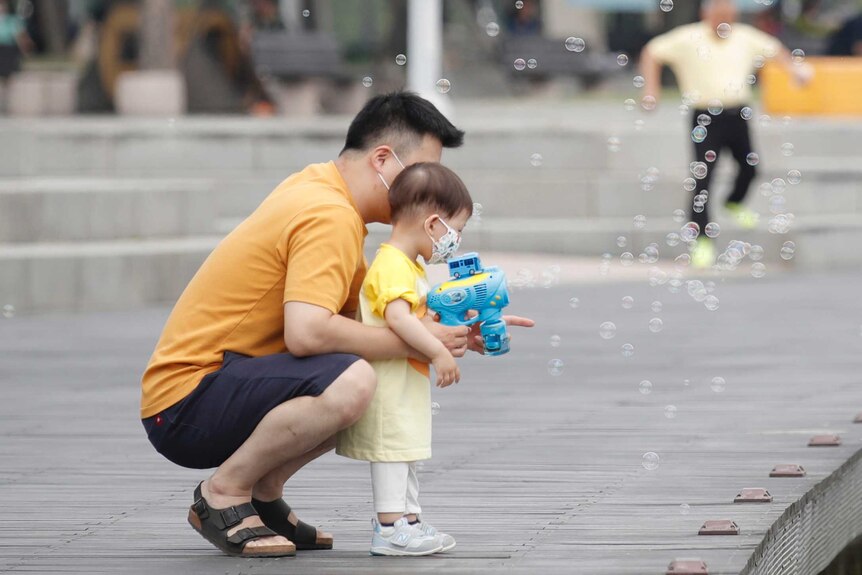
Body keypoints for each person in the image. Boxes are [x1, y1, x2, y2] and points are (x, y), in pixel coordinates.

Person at [139, 91, 534, 558]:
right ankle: (224, 492)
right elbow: (307, 333)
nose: (430, 190)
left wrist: (452, 328)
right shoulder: (328, 215)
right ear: (383, 160)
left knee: (364, 370)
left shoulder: (320, 190)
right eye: (422, 175)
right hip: (187, 403)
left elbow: (369, 320)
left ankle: (264, 491)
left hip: (204, 390)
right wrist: (418, 345)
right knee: (354, 380)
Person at [336, 163, 473, 556]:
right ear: (433, 224)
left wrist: (444, 324)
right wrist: (437, 350)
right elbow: (397, 319)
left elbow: (415, 318)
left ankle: (410, 520)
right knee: (392, 457)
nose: (456, 240)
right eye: (456, 230)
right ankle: (389, 527)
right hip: (388, 386)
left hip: (404, 383)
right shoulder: (393, 263)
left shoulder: (408, 264)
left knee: (407, 454)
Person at [640, 0, 812, 268]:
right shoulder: (687, 37)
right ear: (705, 14)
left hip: (737, 114)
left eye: (728, 15)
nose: (723, 20)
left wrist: (795, 70)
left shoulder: (745, 36)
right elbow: (652, 52)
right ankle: (702, 240)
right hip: (704, 117)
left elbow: (776, 50)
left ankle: (734, 201)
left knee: (750, 167)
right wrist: (651, 90)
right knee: (703, 178)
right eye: (718, 14)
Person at [0, 0, 31, 112]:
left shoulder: (12, 21)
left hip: (7, 50)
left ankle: (5, 103)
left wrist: (25, 50)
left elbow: (19, 36)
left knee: (7, 78)